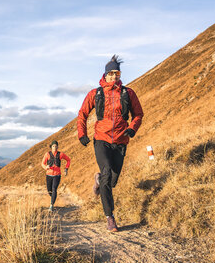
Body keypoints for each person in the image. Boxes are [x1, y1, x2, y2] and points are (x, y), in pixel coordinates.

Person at [77, 55, 144, 232]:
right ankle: (110, 218)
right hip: (102, 139)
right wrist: (82, 134)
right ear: (105, 75)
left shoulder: (128, 93)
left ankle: (99, 180)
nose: (114, 76)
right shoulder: (95, 93)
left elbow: (138, 114)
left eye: (117, 73)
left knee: (112, 180)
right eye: (111, 73)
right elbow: (82, 114)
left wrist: (132, 128)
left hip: (121, 140)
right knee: (107, 174)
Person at [41, 140, 71, 211]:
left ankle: (51, 205)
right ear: (51, 147)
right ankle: (53, 198)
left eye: (56, 146)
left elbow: (68, 160)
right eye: (53, 146)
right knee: (49, 190)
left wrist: (66, 169)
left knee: (54, 189)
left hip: (57, 175)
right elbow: (42, 163)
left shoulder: (60, 154)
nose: (55, 147)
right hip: (48, 175)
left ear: (57, 147)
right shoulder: (47, 154)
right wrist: (46, 167)